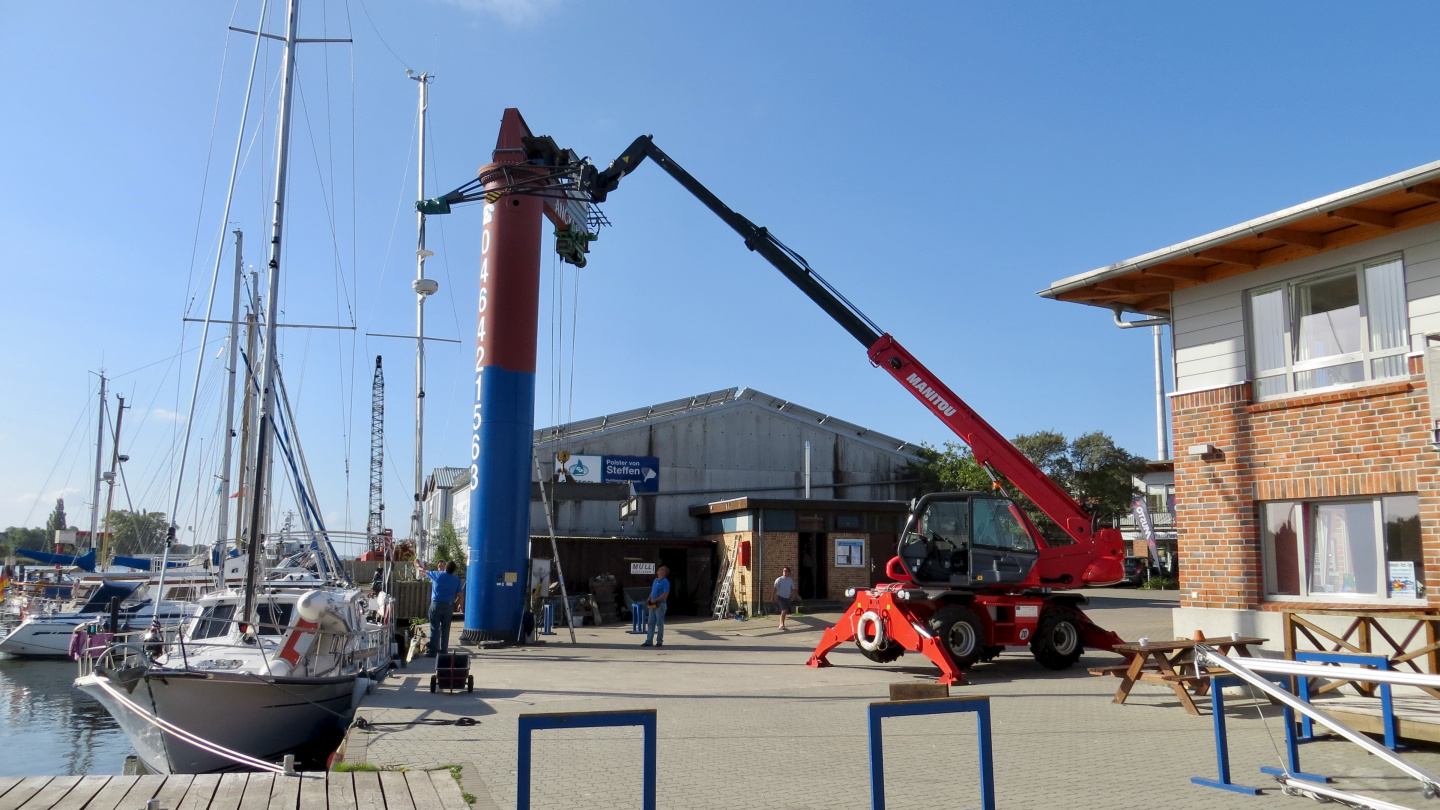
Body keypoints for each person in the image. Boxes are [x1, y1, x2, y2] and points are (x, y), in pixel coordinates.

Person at [417, 558, 463, 656]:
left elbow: (423, 571)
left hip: (436, 605)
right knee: (446, 629)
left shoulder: (437, 575)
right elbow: (460, 594)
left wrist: (417, 564)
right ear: (454, 570)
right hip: (448, 606)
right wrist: (460, 605)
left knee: (434, 628)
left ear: (446, 567)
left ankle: (433, 650)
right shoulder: (457, 580)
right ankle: (444, 650)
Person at [642, 565, 670, 647]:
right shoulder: (655, 580)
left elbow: (666, 593)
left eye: (661, 569)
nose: (659, 570)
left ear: (664, 573)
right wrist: (649, 598)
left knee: (659, 623)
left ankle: (659, 641)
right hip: (652, 603)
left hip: (660, 604)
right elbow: (653, 591)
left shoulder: (665, 581)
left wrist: (657, 599)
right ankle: (649, 640)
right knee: (651, 622)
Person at [773, 566, 797, 631]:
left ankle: (782, 624)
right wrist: (773, 596)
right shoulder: (779, 579)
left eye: (786, 571)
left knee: (784, 611)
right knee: (784, 611)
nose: (784, 572)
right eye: (784, 571)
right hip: (780, 597)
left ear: (789, 572)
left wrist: (797, 595)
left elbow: (793, 588)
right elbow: (775, 589)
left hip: (787, 597)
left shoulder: (790, 580)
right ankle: (781, 625)